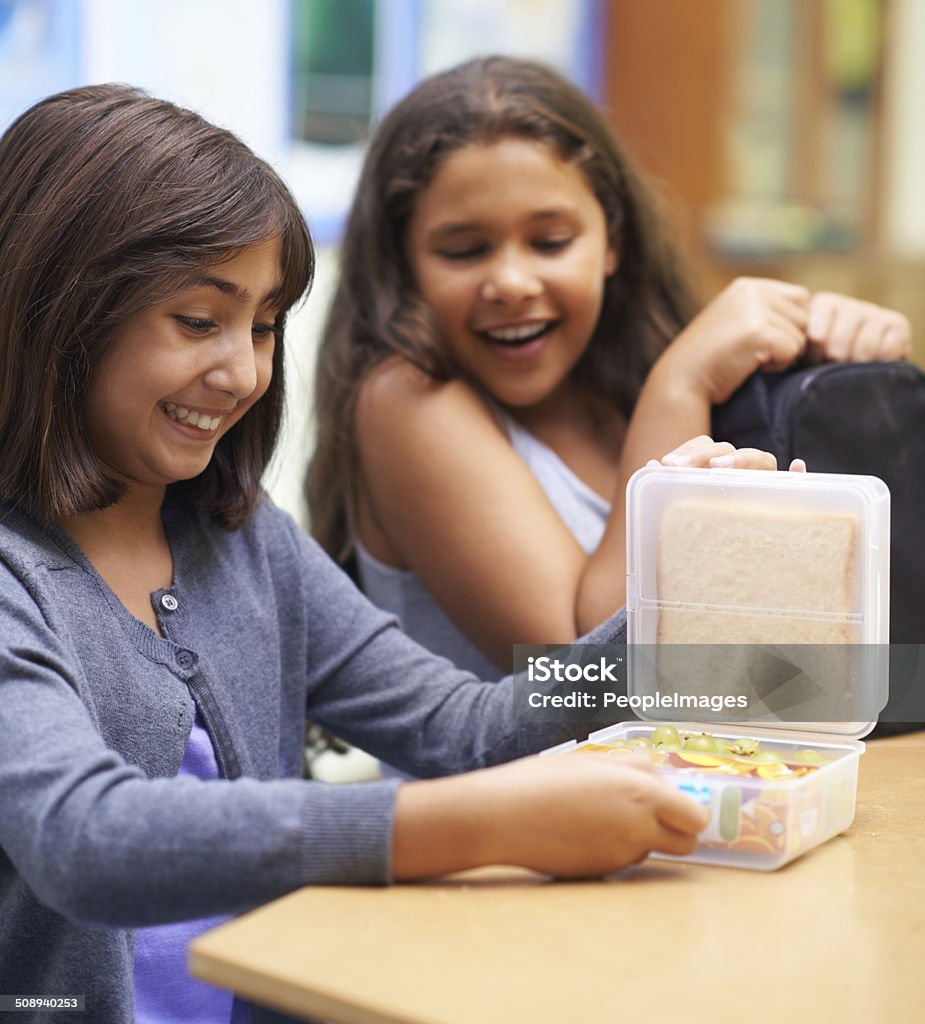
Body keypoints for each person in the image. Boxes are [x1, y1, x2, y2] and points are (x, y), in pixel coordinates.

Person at [0, 84, 783, 1024]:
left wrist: (674, 603)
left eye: (262, 326)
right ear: (59, 314)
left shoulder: (245, 545)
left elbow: (467, 728)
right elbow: (86, 839)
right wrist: (482, 822)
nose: (242, 373)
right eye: (198, 323)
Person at [307, 55, 912, 680]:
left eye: (550, 242)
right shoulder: (402, 400)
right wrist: (680, 384)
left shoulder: (625, 383)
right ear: (403, 266)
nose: (512, 282)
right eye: (464, 250)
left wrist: (855, 365)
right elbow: (580, 668)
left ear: (612, 243)